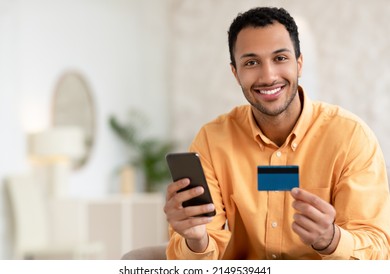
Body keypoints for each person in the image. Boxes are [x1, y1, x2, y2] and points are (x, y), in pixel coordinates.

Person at [163, 6, 390, 260]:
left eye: (280, 58)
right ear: (235, 73)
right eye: (251, 63)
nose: (268, 76)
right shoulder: (212, 141)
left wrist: (331, 240)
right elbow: (198, 263)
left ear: (299, 64)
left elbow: (378, 250)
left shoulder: (351, 138)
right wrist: (196, 240)